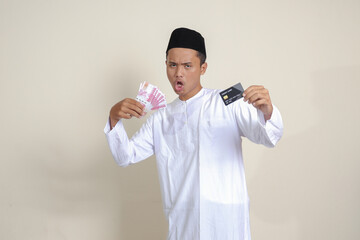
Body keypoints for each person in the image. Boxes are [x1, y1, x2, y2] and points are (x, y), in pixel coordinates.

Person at [104, 27, 283, 240]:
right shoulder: (160, 117)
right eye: (173, 65)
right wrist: (114, 118)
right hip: (183, 224)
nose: (178, 73)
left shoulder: (228, 98)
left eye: (187, 66)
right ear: (166, 65)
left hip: (226, 221)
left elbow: (268, 137)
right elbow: (125, 156)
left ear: (203, 68)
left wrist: (268, 111)